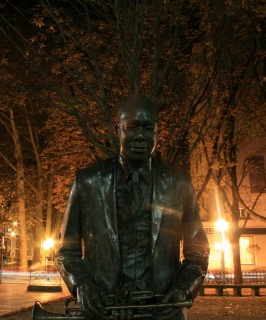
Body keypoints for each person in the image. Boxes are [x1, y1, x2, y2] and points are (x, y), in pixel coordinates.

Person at [56, 94, 210, 319]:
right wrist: (82, 284)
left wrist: (183, 288)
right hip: (104, 312)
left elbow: (198, 251)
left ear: (157, 132)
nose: (140, 136)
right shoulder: (86, 182)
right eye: (132, 127)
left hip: (162, 312)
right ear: (118, 129)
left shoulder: (180, 184)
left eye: (148, 128)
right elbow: (66, 251)